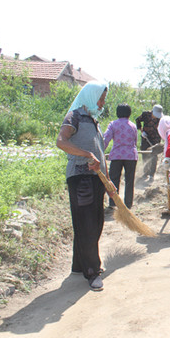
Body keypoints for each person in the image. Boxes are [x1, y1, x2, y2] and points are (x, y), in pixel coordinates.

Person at [56, 80, 116, 292]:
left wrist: (108, 182)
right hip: (81, 177)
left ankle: (79, 265)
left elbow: (100, 154)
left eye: (103, 99)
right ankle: (92, 272)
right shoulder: (74, 116)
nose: (102, 103)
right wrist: (86, 155)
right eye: (100, 98)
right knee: (88, 224)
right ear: (91, 96)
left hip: (95, 179)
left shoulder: (92, 120)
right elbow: (61, 141)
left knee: (93, 222)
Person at [104, 103, 138, 209]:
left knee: (114, 180)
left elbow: (106, 139)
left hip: (117, 156)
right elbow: (135, 141)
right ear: (129, 113)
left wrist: (101, 151)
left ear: (117, 113)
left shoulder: (113, 124)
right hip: (131, 156)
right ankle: (128, 204)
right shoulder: (133, 125)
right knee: (129, 180)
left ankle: (113, 203)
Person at [135, 104, 163, 181]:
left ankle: (151, 175)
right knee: (145, 155)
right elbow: (137, 120)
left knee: (154, 156)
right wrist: (141, 131)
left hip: (156, 139)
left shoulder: (161, 119)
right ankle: (145, 173)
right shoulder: (145, 114)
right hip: (145, 138)